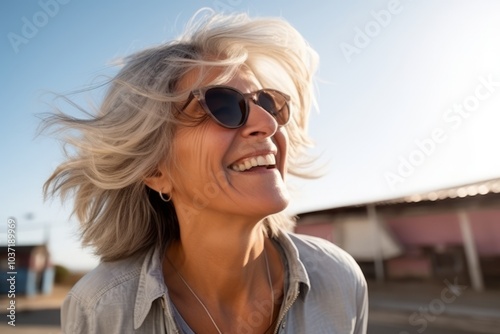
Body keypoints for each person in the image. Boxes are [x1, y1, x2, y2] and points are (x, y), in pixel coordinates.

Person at [44, 10, 368, 334]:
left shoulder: (339, 280)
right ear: (156, 171)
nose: (268, 124)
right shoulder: (100, 309)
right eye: (223, 104)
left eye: (268, 103)